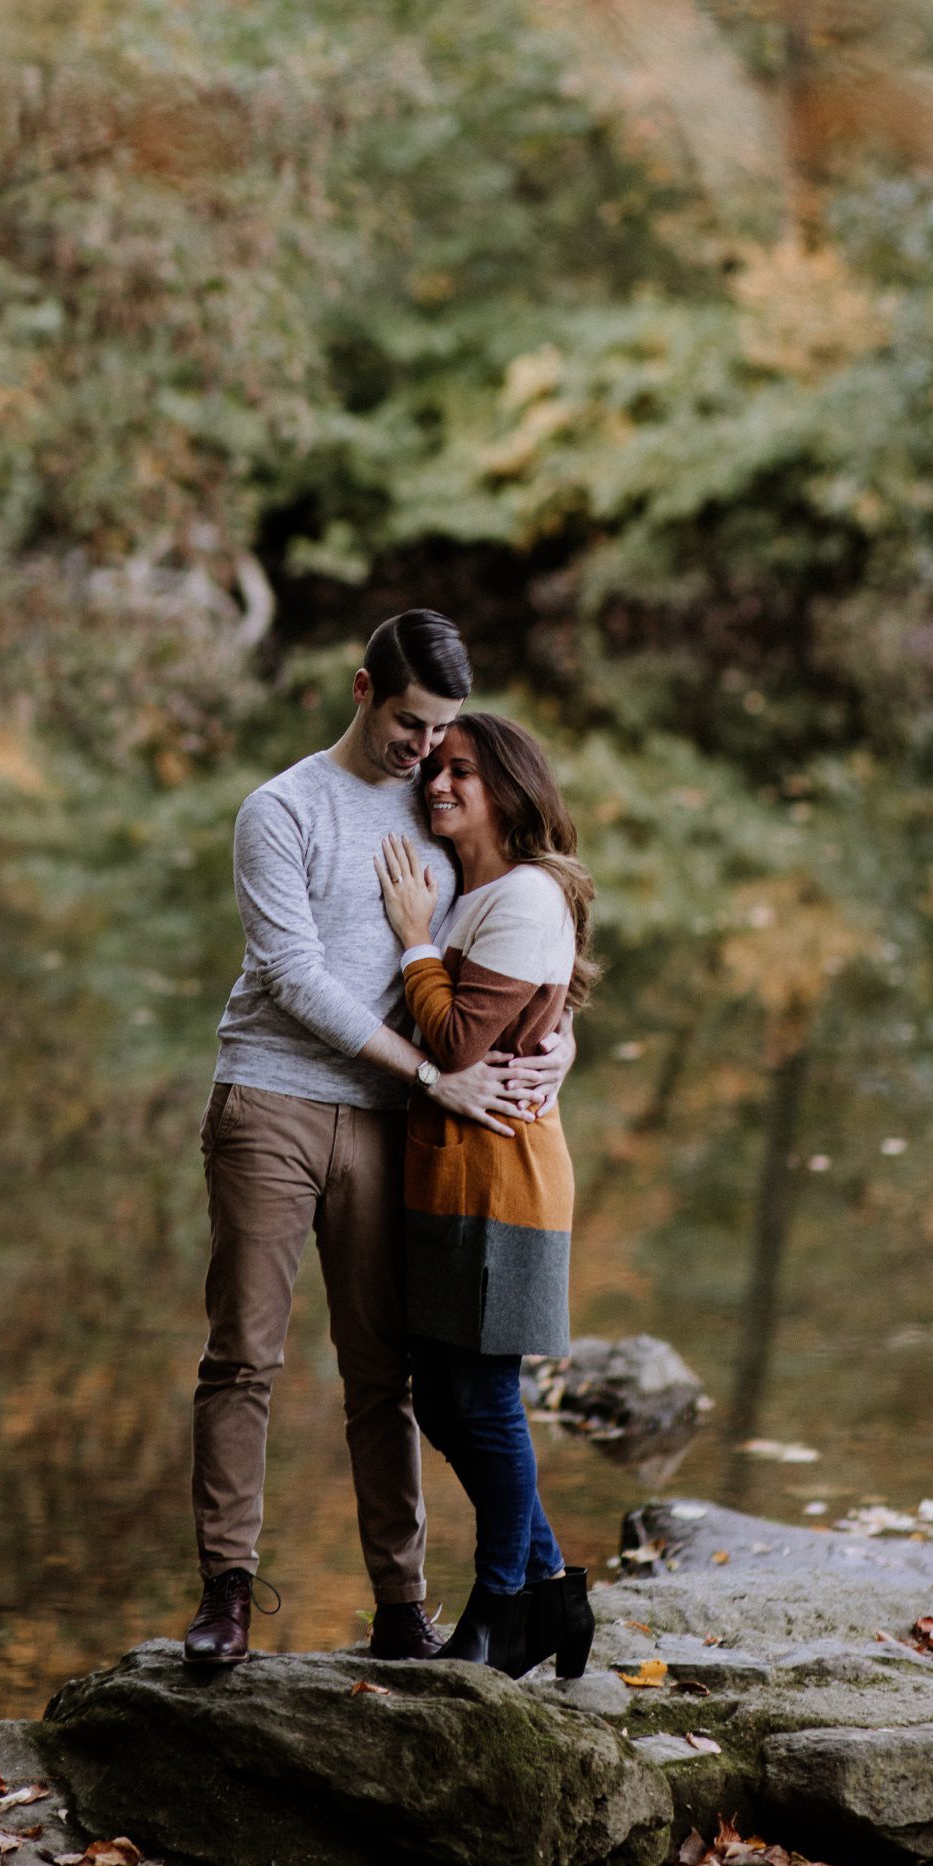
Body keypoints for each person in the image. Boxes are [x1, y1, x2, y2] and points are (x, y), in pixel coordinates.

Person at [185, 612, 573, 1671]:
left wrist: (558, 1036)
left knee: (384, 1374)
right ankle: (225, 1589)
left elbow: (514, 921)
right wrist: (430, 1073)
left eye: (440, 729)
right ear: (362, 690)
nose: (423, 750)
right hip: (271, 1099)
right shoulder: (281, 808)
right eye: (408, 722)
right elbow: (288, 974)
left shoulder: (442, 799)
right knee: (242, 1355)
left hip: (395, 1129)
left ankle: (401, 1603)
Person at [374, 710, 597, 1681]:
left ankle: (502, 1601)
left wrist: (413, 939)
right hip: (444, 1176)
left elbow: (458, 1043)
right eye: (432, 768)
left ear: (507, 786)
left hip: (501, 1179)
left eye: (460, 769)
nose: (436, 783)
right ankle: (552, 1588)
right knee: (438, 1400)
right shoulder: (475, 892)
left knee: (484, 1398)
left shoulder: (525, 896)